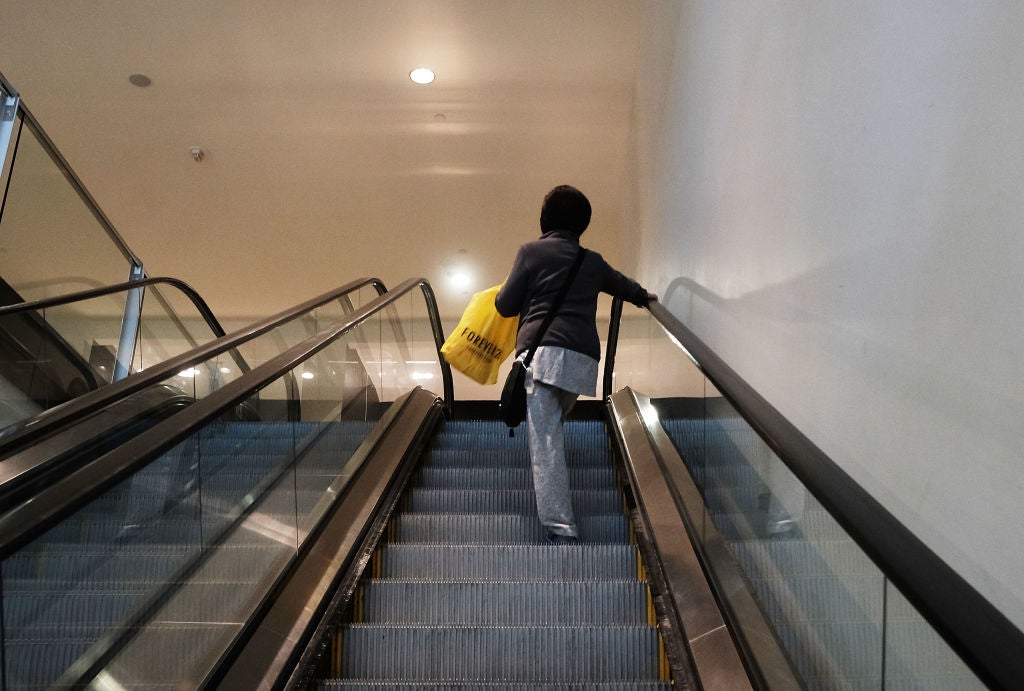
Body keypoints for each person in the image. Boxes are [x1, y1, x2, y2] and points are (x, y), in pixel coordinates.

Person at [495, 185, 653, 544]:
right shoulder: (591, 261)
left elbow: (504, 305)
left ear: (545, 217)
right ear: (583, 223)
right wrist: (645, 297)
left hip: (543, 357)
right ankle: (559, 509)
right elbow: (624, 286)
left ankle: (561, 527)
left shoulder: (531, 252)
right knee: (553, 429)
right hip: (582, 362)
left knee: (546, 443)